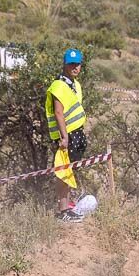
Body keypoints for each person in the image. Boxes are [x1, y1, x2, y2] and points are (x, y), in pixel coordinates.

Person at [45, 48, 88, 223]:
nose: (75, 67)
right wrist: (64, 137)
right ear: (65, 64)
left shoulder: (75, 85)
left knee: (70, 171)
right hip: (66, 136)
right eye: (71, 64)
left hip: (77, 133)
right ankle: (62, 210)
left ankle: (67, 206)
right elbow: (58, 112)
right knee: (63, 172)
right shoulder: (58, 85)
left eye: (77, 64)